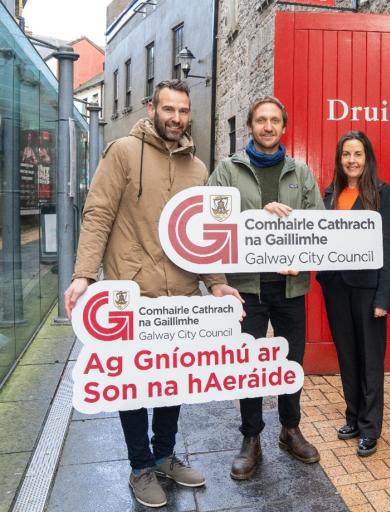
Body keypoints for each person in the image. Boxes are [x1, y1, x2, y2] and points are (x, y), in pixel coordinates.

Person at [63, 79, 242, 508]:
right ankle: (140, 466)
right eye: (169, 110)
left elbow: (201, 237)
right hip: (132, 292)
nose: (176, 118)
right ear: (152, 109)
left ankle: (163, 455)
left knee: (171, 380)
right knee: (132, 384)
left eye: (183, 111)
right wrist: (84, 274)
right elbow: (99, 212)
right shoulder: (123, 153)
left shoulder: (198, 169)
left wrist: (216, 283)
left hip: (180, 294)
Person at [208, 96, 324, 480]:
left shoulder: (301, 173)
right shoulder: (227, 171)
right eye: (261, 120)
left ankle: (290, 430)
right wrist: (258, 216)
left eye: (275, 120)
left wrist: (303, 260)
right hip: (246, 286)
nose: (268, 127)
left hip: (290, 286)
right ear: (251, 127)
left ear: (284, 127)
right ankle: (251, 438)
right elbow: (212, 223)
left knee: (292, 361)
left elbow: (317, 226)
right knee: (249, 364)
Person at [316, 131, 390, 457]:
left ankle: (369, 427)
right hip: (336, 287)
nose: (351, 160)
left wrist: (383, 298)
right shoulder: (330, 193)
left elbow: (389, 249)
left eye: (358, 154)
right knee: (347, 356)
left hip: (368, 289)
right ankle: (352, 416)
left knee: (370, 360)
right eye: (346, 154)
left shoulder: (383, 194)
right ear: (339, 159)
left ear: (367, 159)